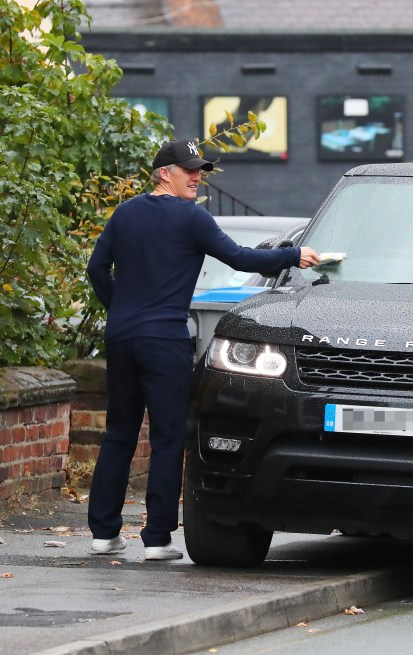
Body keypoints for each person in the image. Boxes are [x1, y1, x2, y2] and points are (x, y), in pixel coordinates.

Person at [86, 138, 320, 560]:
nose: (197, 177)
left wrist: (120, 307)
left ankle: (103, 534)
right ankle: (157, 540)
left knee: (118, 433)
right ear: (164, 173)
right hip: (164, 342)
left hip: (121, 337)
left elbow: (95, 268)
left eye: (200, 170)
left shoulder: (125, 214)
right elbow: (240, 257)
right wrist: (294, 254)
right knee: (168, 438)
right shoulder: (191, 219)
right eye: (189, 170)